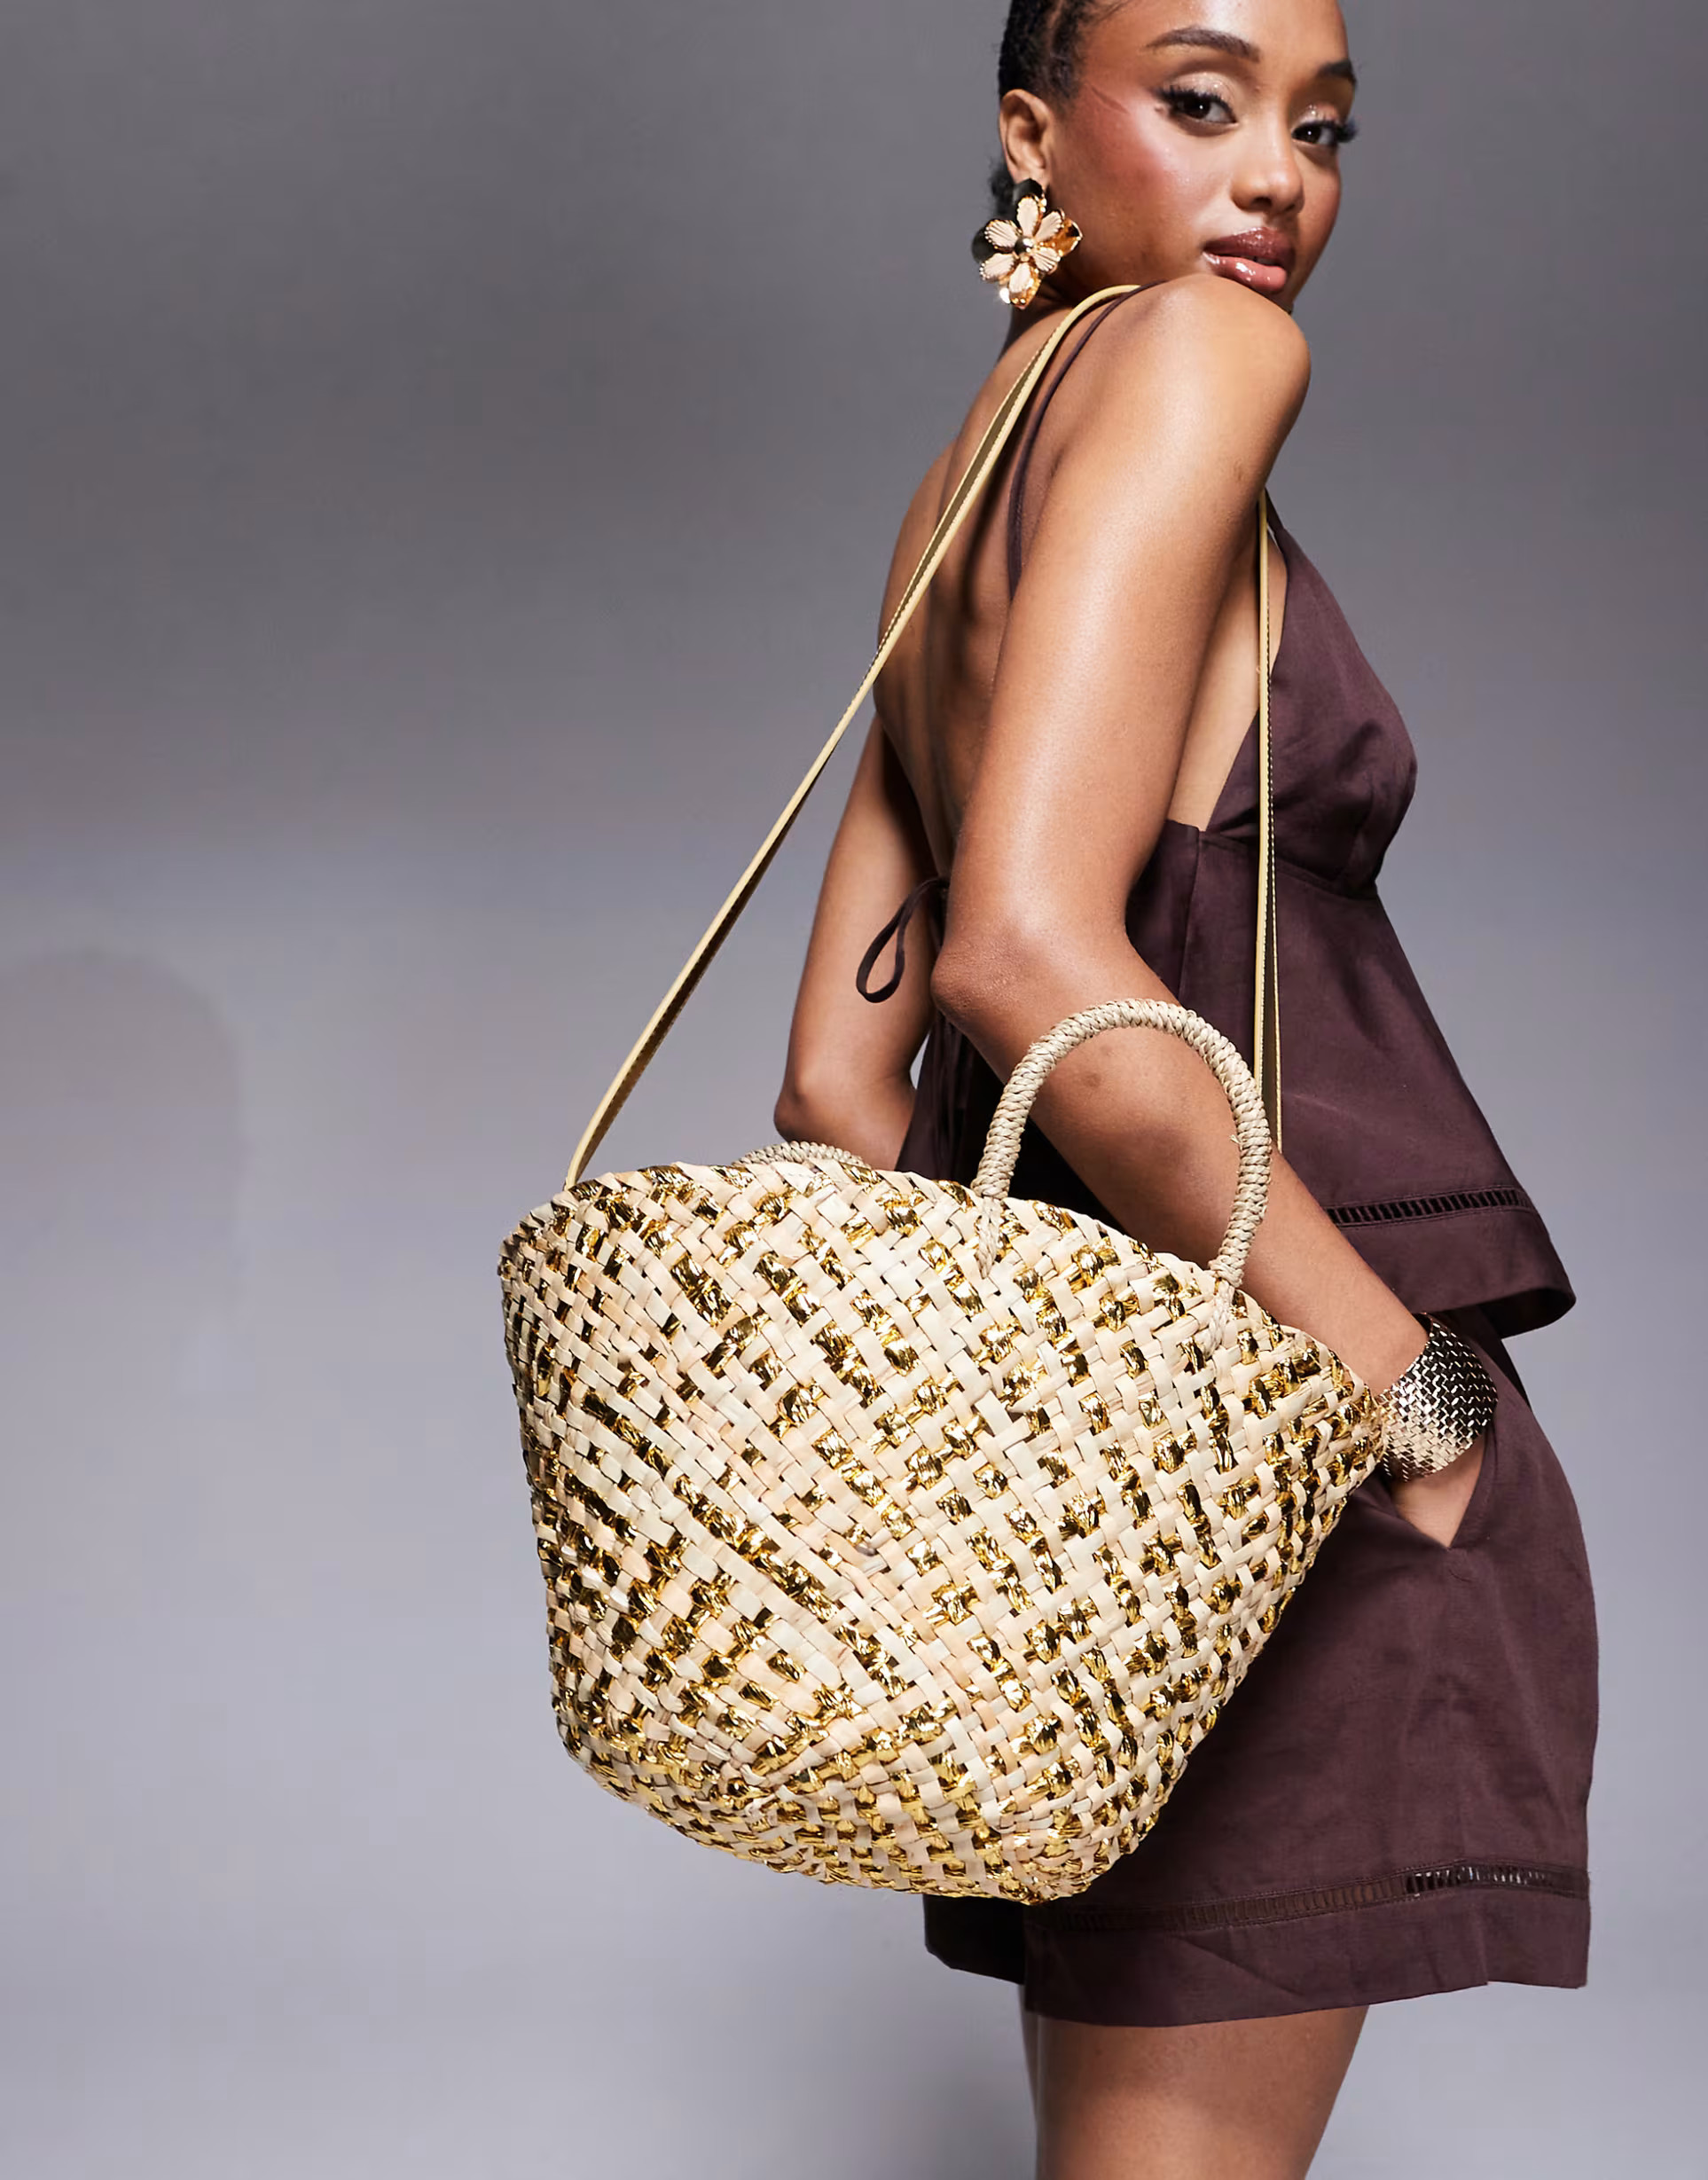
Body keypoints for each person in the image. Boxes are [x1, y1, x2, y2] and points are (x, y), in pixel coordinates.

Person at [773, 2, 1599, 2173]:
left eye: (1324, 128)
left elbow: (841, 1082)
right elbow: (1025, 949)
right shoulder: (1210, 360)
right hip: (1287, 1419)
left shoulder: (966, 476)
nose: (1277, 179)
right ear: (1034, 136)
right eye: (1204, 101)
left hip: (1100, 1496)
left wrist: (1035, 1462)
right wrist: (1418, 1401)